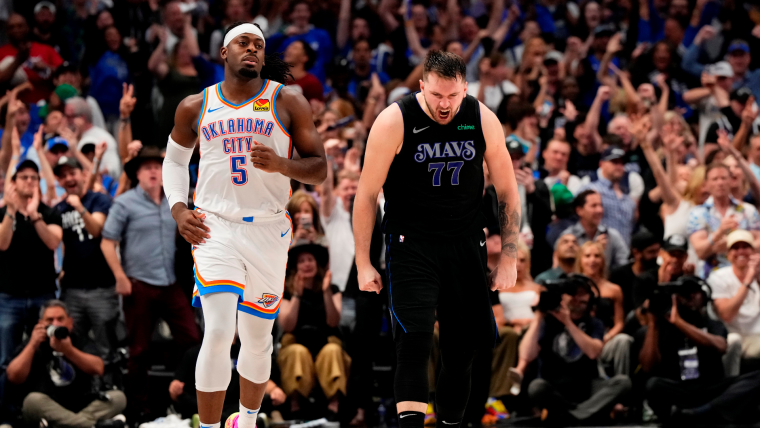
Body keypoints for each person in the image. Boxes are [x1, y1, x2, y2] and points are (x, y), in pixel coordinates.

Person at [162, 22, 326, 428]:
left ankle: (247, 420)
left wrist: (282, 164)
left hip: (268, 229)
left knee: (257, 339)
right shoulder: (195, 105)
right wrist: (179, 210)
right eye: (243, 43)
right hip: (215, 226)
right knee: (219, 331)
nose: (252, 49)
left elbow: (319, 168)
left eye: (258, 45)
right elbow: (175, 162)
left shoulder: (287, 100)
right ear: (224, 52)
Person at [354, 50, 520, 428]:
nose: (445, 105)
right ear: (421, 86)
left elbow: (508, 190)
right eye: (436, 95)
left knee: (462, 351)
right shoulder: (394, 120)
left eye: (453, 96)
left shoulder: (482, 118)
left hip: (465, 243)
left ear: (465, 88)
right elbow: (365, 195)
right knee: (413, 344)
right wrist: (363, 262)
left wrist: (509, 257)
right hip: (411, 245)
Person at [101, 148, 201, 415]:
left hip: (170, 283)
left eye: (158, 166)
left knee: (192, 339)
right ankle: (140, 410)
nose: (153, 171)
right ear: (137, 174)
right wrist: (120, 277)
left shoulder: (176, 202)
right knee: (139, 350)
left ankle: (181, 399)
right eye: (147, 167)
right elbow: (107, 243)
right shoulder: (124, 203)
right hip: (139, 284)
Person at [638, 276, 760, 424]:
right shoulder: (660, 328)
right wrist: (653, 324)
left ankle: (703, 412)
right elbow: (648, 367)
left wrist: (680, 323)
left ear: (704, 296)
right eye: (684, 293)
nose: (690, 297)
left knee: (756, 378)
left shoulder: (711, 323)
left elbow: (720, 347)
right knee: (653, 384)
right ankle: (693, 415)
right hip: (678, 388)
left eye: (694, 292)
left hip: (710, 388)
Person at [521, 276, 631, 424]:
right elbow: (527, 355)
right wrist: (539, 315)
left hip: (587, 386)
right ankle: (584, 414)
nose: (577, 304)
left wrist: (568, 322)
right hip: (555, 386)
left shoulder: (594, 323)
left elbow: (593, 352)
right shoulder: (547, 322)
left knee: (623, 382)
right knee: (536, 387)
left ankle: (572, 416)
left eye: (582, 301)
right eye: (573, 299)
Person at [6, 300, 126, 428]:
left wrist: (69, 350)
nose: (55, 324)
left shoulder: (79, 339)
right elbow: (13, 376)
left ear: (70, 322)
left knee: (118, 397)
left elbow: (98, 368)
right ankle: (93, 425)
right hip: (46, 405)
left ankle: (70, 424)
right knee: (32, 401)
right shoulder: (34, 342)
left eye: (60, 319)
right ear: (40, 323)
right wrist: (32, 345)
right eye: (50, 320)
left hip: (80, 405)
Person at [0, 158, 62, 370]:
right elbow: (2, 244)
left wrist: (35, 215)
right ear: (13, 182)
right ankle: (6, 392)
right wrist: (11, 211)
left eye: (34, 178)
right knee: (6, 357)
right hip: (9, 296)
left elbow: (53, 242)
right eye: (24, 177)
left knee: (46, 354)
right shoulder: (2, 213)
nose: (29, 181)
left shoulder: (49, 213)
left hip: (43, 294)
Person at [54, 156, 117, 359]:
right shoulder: (59, 209)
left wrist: (80, 208)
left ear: (83, 174)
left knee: (106, 345)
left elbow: (97, 230)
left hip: (102, 287)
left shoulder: (98, 200)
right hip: (72, 289)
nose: (69, 178)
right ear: (59, 181)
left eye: (72, 173)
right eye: (63, 176)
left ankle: (110, 378)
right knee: (73, 345)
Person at [277, 243, 349, 415]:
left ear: (317, 263)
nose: (306, 264)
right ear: (295, 266)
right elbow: (287, 325)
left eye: (310, 259)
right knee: (296, 352)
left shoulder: (332, 289)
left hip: (326, 340)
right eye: (301, 261)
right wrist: (297, 294)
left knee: (332, 351)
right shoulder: (286, 291)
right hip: (296, 341)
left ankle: (334, 407)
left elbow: (333, 322)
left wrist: (326, 292)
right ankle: (295, 407)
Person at [688, 163, 760, 278]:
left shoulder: (748, 210)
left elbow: (758, 243)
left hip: (745, 275)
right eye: (715, 179)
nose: (720, 183)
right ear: (706, 183)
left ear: (731, 181)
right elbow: (700, 252)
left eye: (723, 178)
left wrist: (735, 246)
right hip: (711, 276)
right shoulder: (698, 213)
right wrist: (719, 232)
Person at [491, 241, 542, 397]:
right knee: (510, 335)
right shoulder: (497, 286)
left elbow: (541, 312)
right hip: (507, 328)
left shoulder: (537, 287)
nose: (518, 264)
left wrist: (528, 324)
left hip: (532, 328)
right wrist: (514, 323)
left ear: (528, 263)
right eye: (514, 260)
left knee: (532, 331)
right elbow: (496, 315)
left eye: (522, 260)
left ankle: (521, 376)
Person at [574, 242, 632, 376]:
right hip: (580, 337)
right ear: (580, 260)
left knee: (624, 340)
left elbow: (619, 323)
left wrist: (607, 337)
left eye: (597, 256)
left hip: (606, 338)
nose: (592, 260)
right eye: (587, 256)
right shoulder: (573, 288)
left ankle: (622, 382)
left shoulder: (614, 290)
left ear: (603, 261)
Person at [709, 230, 760, 375]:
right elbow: (726, 315)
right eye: (735, 248)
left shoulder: (758, 273)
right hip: (732, 335)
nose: (741, 251)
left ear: (753, 251)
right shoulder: (718, 277)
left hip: (757, 336)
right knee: (734, 340)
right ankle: (730, 383)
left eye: (745, 247)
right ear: (728, 254)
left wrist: (758, 279)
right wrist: (748, 280)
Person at [578, 146, 637, 243]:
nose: (619, 166)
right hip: (596, 248)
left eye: (622, 163)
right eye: (614, 162)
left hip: (624, 250)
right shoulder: (591, 189)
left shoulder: (628, 198)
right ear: (601, 164)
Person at [0, 13, 63, 104]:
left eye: (20, 26)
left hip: (43, 105)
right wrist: (18, 61)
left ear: (27, 27)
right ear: (6, 31)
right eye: (11, 27)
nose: (16, 30)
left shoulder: (46, 49)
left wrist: (47, 67)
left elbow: (65, 73)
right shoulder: (1, 52)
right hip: (12, 107)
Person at [561, 190, 630, 270]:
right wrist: (596, 249)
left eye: (600, 205)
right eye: (594, 206)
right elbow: (561, 268)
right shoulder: (567, 237)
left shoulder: (611, 235)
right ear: (579, 210)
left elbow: (625, 265)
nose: (599, 210)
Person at [64, 97, 121, 180]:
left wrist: (96, 175)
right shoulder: (69, 135)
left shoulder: (103, 137)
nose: (66, 120)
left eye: (69, 116)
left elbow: (113, 170)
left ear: (82, 117)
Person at [610, 231, 661, 313]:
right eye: (651, 252)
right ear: (636, 253)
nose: (656, 256)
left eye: (657, 251)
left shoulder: (660, 274)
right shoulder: (618, 275)